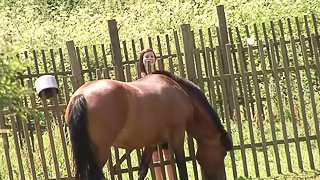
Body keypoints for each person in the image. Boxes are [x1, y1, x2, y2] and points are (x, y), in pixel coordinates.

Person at [139, 48, 174, 180]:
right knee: (154, 156)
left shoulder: (162, 78)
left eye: (151, 56)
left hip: (164, 123)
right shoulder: (139, 81)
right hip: (149, 125)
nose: (149, 58)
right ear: (142, 61)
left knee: (167, 154)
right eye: (146, 56)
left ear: (155, 60)